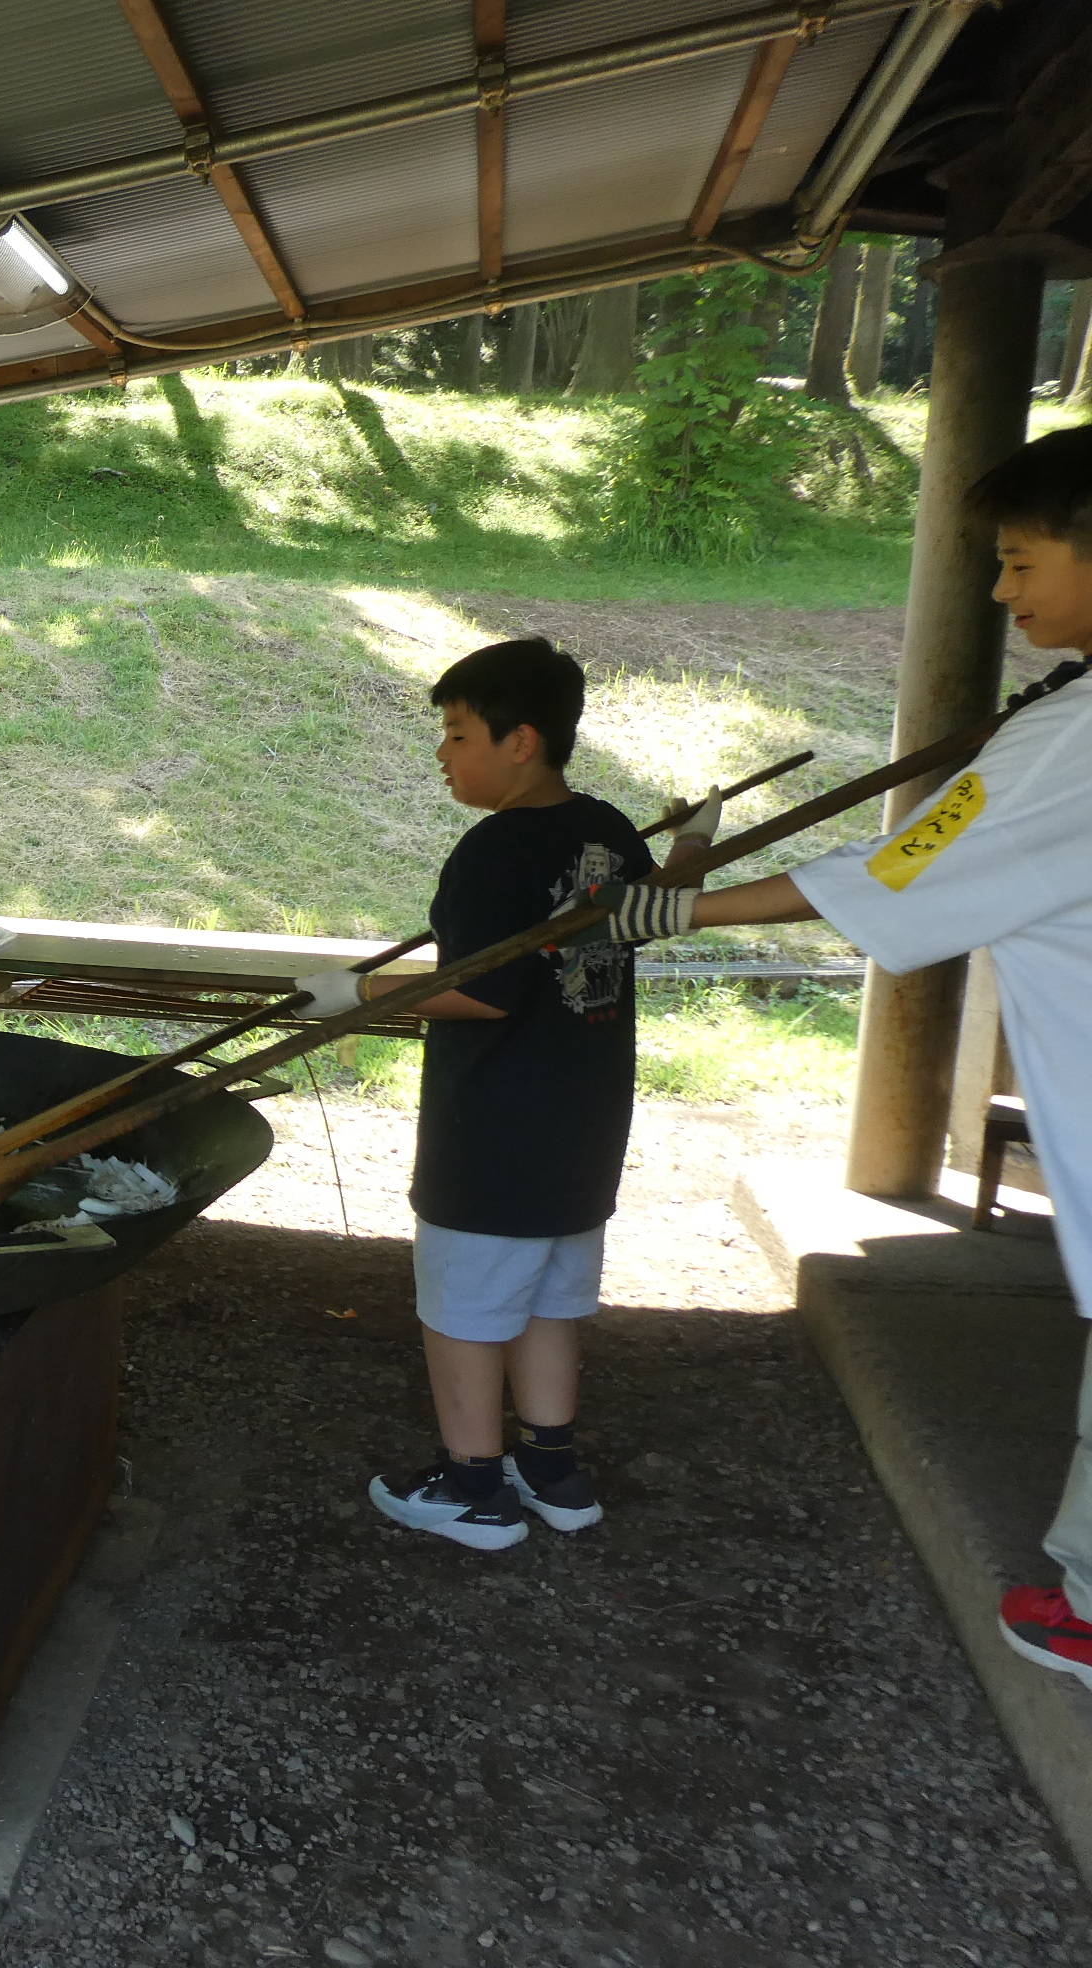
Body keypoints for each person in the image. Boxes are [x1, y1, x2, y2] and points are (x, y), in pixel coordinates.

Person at [584, 423, 1092, 1681]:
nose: (997, 591)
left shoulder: (1065, 741)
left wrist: (683, 907)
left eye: (1020, 560)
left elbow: (895, 871)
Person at [296, 639, 712, 1551]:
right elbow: (655, 915)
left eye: (455, 733)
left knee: (466, 1312)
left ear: (520, 740)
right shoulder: (604, 828)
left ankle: (474, 1488)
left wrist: (357, 993)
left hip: (492, 1132)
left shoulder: (493, 853)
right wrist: (693, 839)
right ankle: (552, 1470)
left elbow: (482, 994)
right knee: (552, 1302)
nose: (443, 754)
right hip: (585, 1123)